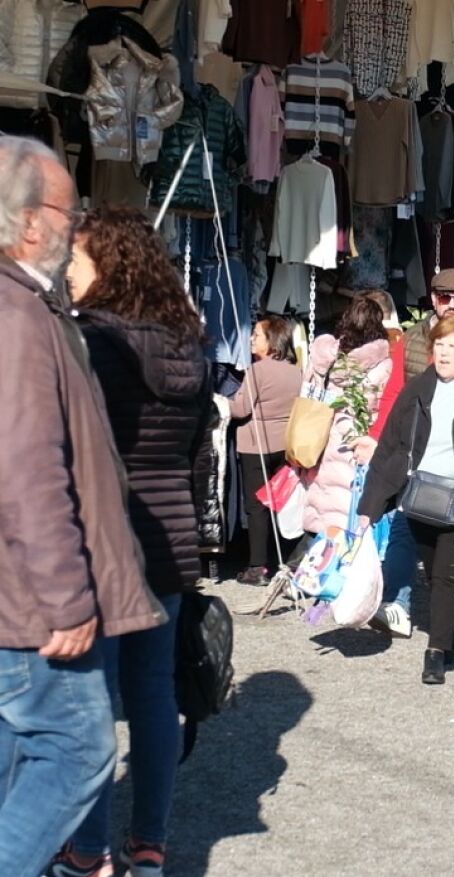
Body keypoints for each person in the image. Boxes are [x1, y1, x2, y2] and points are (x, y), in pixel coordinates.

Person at [0, 136, 162, 876]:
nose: (76, 227)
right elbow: (28, 468)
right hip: (35, 597)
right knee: (77, 747)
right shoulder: (18, 316)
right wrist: (68, 598)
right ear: (31, 221)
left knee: (16, 755)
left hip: (17, 591)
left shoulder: (27, 306)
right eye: (71, 210)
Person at [49, 206, 212, 877]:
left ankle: (88, 849)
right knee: (152, 695)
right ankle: (149, 842)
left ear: (108, 264)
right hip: (170, 541)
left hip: (105, 541)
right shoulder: (186, 341)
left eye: (78, 260)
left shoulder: (91, 340)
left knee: (90, 701)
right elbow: (201, 457)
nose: (68, 271)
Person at [358, 315, 454, 685]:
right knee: (437, 575)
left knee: (445, 575)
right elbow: (392, 447)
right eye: (439, 344)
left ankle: (435, 652)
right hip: (422, 495)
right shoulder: (417, 389)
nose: (443, 353)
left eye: (453, 346)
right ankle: (452, 635)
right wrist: (370, 506)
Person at [300, 297, 393, 539]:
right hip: (356, 441)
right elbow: (377, 404)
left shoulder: (324, 359)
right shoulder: (382, 364)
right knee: (347, 509)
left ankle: (318, 562)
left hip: (323, 437)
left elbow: (308, 390)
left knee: (321, 505)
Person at [230, 315, 303, 585]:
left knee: (257, 506)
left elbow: (241, 409)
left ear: (271, 341)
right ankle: (286, 559)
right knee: (282, 502)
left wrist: (221, 401)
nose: (252, 340)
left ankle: (257, 567)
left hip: (256, 445)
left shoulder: (257, 371)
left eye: (257, 336)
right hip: (284, 444)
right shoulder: (296, 371)